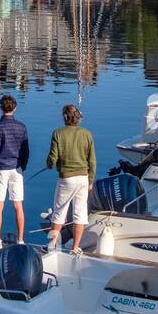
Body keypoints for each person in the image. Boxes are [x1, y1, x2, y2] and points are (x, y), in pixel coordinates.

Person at [45, 104, 97, 254]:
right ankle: (75, 248)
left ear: (64, 117)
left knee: (59, 213)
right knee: (80, 214)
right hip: (83, 178)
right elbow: (92, 160)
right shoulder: (87, 134)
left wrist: (49, 164)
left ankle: (52, 245)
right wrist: (91, 180)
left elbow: (53, 158)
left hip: (66, 179)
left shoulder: (58, 133)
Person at [0, 94, 29, 249]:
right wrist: (22, 166)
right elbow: (26, 150)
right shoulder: (22, 127)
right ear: (15, 108)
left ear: (0, 108)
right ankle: (21, 240)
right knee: (18, 205)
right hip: (16, 168)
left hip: (0, 169)